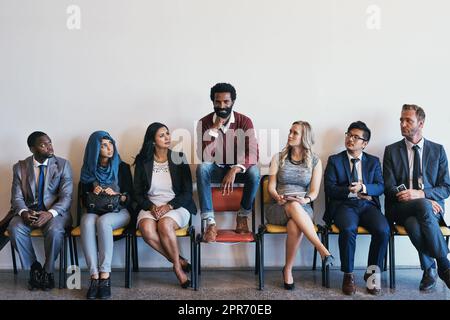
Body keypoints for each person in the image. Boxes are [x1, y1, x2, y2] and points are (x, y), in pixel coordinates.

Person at [383, 104, 450, 291]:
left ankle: (430, 269)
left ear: (421, 123)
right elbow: (388, 187)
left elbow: (446, 187)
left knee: (414, 224)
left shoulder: (437, 150)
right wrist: (419, 199)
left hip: (430, 209)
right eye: (401, 120)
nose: (403, 124)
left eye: (408, 120)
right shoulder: (391, 150)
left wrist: (422, 195)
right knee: (421, 207)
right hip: (400, 207)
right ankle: (444, 264)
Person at [266, 121, 334, 290]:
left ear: (304, 137)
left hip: (303, 207)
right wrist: (278, 196)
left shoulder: (315, 161)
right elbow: (271, 187)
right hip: (279, 206)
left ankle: (287, 269)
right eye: (290, 131)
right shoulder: (278, 157)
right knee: (292, 206)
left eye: (294, 133)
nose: (290, 135)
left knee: (294, 223)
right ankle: (322, 249)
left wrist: (306, 200)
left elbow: (314, 191)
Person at [324, 121, 390, 295]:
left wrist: (364, 188)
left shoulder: (373, 162)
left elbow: (380, 186)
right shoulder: (335, 160)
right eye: (348, 135)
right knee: (348, 228)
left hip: (367, 205)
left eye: (355, 137)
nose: (350, 139)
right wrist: (349, 190)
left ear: (364, 143)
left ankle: (372, 275)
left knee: (383, 230)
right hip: (344, 205)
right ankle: (348, 274)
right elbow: (329, 188)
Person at [7, 131, 73, 290]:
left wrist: (50, 213)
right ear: (32, 149)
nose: (50, 147)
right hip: (30, 212)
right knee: (14, 228)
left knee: (55, 231)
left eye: (50, 143)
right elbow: (16, 198)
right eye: (43, 145)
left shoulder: (63, 165)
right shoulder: (20, 167)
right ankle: (35, 269)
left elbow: (67, 197)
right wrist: (23, 212)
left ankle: (48, 272)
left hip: (55, 213)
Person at [134, 122, 197, 288]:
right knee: (146, 229)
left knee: (164, 224)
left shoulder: (179, 157)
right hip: (150, 206)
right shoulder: (142, 161)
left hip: (176, 206)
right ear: (153, 140)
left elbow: (187, 192)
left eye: (168, 134)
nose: (167, 137)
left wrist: (169, 206)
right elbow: (138, 193)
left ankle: (177, 268)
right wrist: (150, 207)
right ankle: (179, 260)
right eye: (162, 135)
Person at [196, 82, 260, 242]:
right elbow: (205, 155)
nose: (222, 105)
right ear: (213, 102)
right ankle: (210, 224)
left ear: (233, 102)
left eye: (226, 101)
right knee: (202, 167)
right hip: (216, 170)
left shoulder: (244, 121)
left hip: (237, 172)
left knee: (255, 172)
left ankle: (242, 216)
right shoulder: (204, 123)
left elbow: (253, 153)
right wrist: (214, 130)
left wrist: (235, 169)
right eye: (218, 102)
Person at [79, 131, 132, 299]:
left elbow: (130, 197)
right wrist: (92, 192)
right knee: (86, 221)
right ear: (95, 149)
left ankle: (105, 276)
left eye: (110, 144)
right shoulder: (88, 170)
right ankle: (94, 277)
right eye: (103, 145)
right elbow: (83, 201)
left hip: (119, 212)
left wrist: (117, 194)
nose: (109, 148)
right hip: (95, 211)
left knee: (104, 222)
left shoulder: (122, 167)